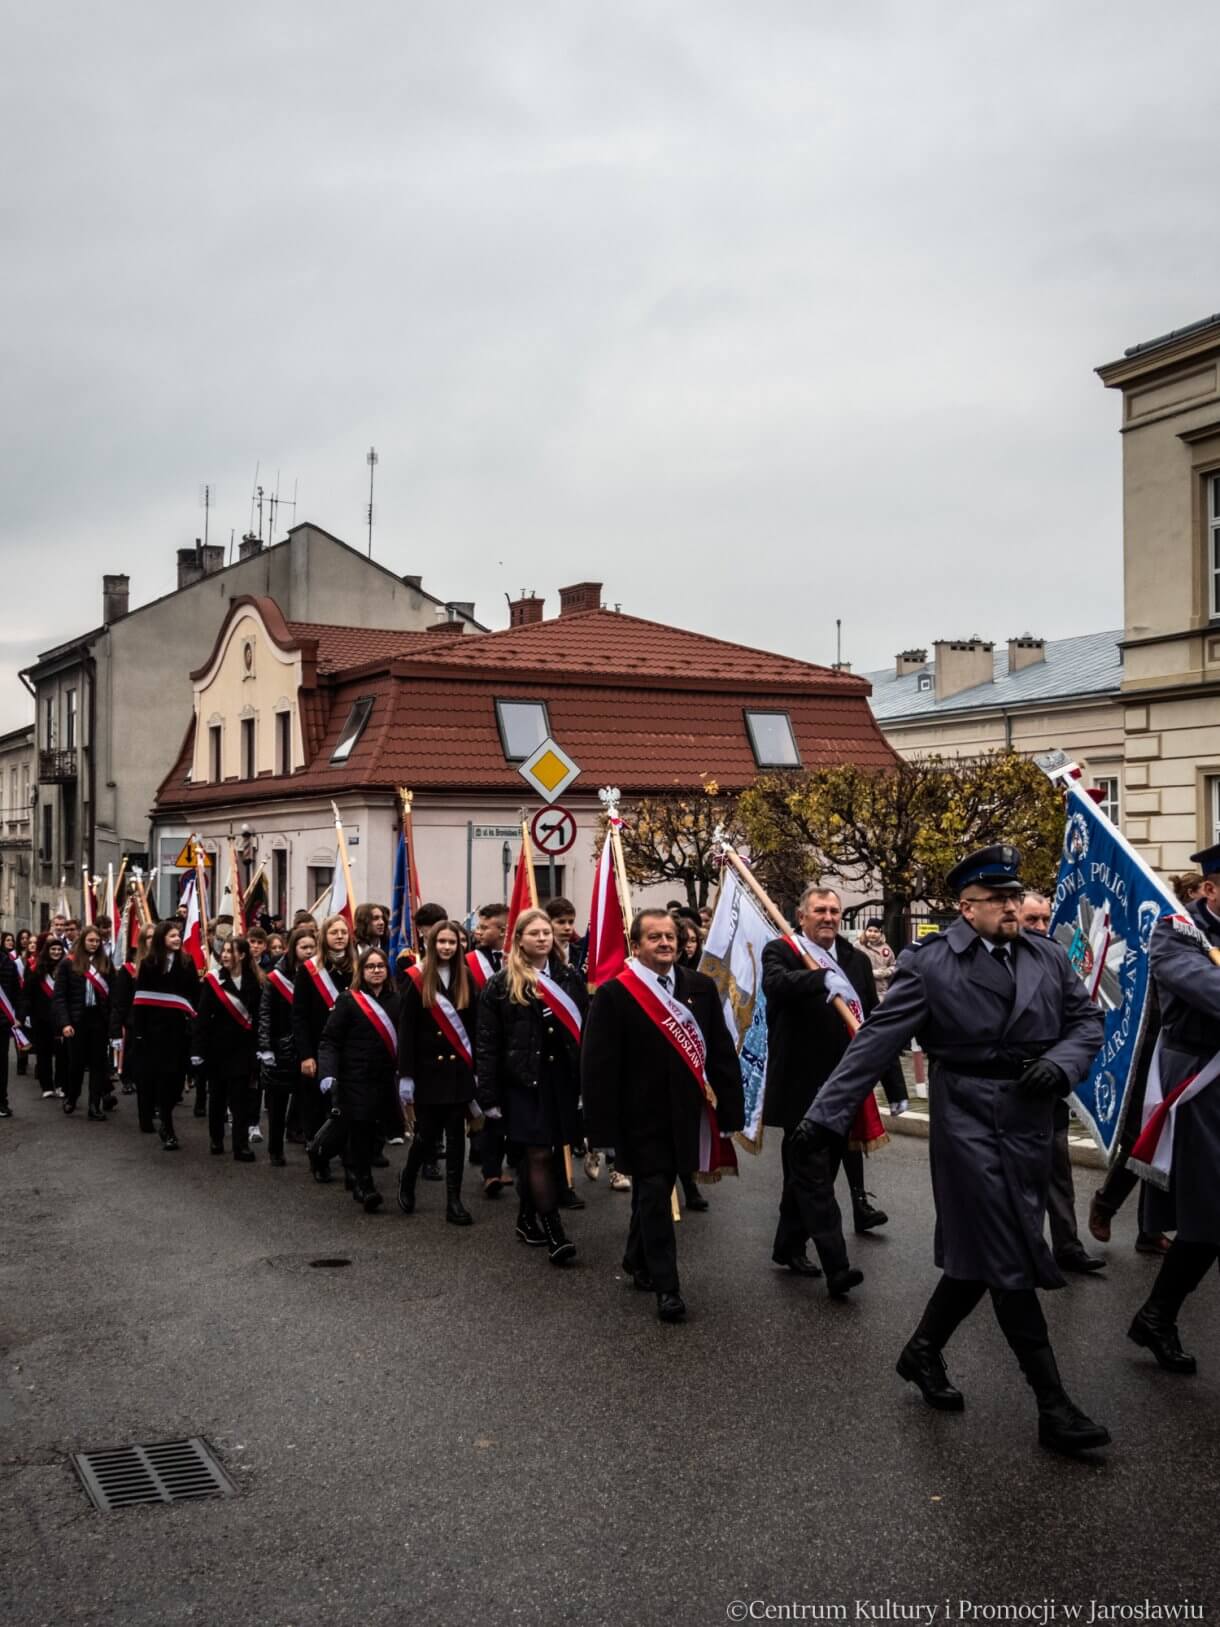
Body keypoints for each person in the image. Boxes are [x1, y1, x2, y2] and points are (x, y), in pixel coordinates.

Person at [790, 845, 1110, 1456]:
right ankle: (1053, 1405)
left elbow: (1086, 1022)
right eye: (999, 900)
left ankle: (922, 1351)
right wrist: (824, 1116)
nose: (1013, 908)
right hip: (968, 1117)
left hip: (1031, 1118)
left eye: (1016, 897)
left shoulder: (1046, 955)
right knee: (1010, 1254)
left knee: (980, 1257)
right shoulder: (933, 964)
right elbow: (878, 1039)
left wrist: (1060, 1064)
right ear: (966, 908)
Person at [583, 909, 744, 1322]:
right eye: (654, 937)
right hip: (640, 1116)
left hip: (686, 1112)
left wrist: (730, 1109)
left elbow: (721, 1051)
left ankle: (636, 1259)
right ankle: (667, 1288)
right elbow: (598, 1064)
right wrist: (601, 1127)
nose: (665, 943)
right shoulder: (616, 993)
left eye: (670, 936)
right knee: (655, 1193)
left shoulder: (700, 987)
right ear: (636, 945)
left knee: (656, 1189)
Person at [763, 885, 903, 1279]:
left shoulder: (854, 959)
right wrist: (819, 979)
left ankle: (787, 1246)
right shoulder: (783, 952)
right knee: (813, 1177)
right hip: (800, 1085)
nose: (828, 917)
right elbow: (775, 985)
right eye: (819, 910)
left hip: (843, 1086)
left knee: (808, 1178)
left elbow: (873, 1025)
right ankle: (837, 1267)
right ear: (802, 916)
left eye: (834, 911)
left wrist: (895, 1086)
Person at [1126, 842, 1220, 1376]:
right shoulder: (1177, 933)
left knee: (1210, 1222)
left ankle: (1157, 1315)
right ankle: (1157, 1317)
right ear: (1209, 888)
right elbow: (1208, 990)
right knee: (1209, 1213)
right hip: (1201, 1089)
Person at [476, 907, 586, 1264]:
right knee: (538, 1152)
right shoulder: (502, 983)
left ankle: (526, 1218)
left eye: (546, 932)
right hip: (523, 1081)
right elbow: (488, 1042)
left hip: (560, 1081)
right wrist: (488, 1096)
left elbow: (582, 1034)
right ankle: (555, 1230)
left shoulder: (569, 977)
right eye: (534, 933)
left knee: (549, 1151)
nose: (542, 938)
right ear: (519, 940)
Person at [1017, 892, 1103, 1275]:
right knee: (1017, 1180)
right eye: (1031, 919)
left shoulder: (1055, 959)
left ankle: (1067, 1245)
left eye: (1043, 919)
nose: (1039, 927)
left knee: (1058, 1169)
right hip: (1009, 1089)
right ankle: (1024, 1251)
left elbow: (1083, 1020)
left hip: (1050, 1084)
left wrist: (1059, 1064)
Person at [397, 919, 478, 1224]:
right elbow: (406, 1030)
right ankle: (407, 1178)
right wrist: (405, 1075)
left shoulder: (467, 978)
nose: (446, 947)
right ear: (432, 945)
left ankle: (453, 1201)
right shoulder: (416, 979)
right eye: (441, 942)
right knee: (426, 1135)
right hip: (427, 1070)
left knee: (457, 1137)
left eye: (452, 942)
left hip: (458, 1070)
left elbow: (474, 1026)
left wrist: (477, 1070)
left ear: (459, 946)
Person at [317, 946, 402, 1213]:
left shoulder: (397, 1000)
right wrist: (327, 1072)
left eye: (380, 966)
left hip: (386, 1078)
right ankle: (364, 1185)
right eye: (370, 966)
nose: (376, 971)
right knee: (360, 1131)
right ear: (361, 971)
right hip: (355, 1077)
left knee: (379, 1131)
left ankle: (358, 1176)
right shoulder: (349, 1001)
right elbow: (330, 1040)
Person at [294, 913, 358, 1181]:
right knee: (317, 1106)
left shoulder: (358, 967)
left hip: (351, 1048)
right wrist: (306, 1054)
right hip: (320, 1047)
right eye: (334, 932)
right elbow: (299, 1015)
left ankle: (349, 1160)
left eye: (344, 932)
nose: (340, 936)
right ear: (324, 936)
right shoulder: (309, 970)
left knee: (348, 1106)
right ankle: (318, 1158)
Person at [130, 919, 199, 1148]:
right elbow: (140, 1001)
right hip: (155, 1033)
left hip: (180, 1032)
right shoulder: (149, 964)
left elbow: (194, 996)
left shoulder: (187, 963)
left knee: (177, 1081)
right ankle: (167, 1128)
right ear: (162, 939)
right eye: (172, 936)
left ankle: (166, 1112)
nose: (177, 939)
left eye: (178, 935)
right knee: (161, 1078)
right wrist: (138, 1033)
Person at [192, 935, 263, 1161]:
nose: (224, 955)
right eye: (223, 951)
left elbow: (260, 1016)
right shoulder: (213, 980)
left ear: (241, 955)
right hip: (218, 1048)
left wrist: (262, 1046)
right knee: (218, 1097)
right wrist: (198, 1050)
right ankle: (216, 1138)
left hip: (243, 1048)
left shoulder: (256, 981)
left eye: (230, 951)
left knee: (240, 1098)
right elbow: (202, 1017)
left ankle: (240, 1145)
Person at [258, 923, 316, 1166]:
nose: (309, 952)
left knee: (309, 1103)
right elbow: (265, 1014)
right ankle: (275, 1149)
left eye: (313, 947)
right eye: (304, 947)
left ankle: (312, 1146)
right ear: (293, 949)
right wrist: (265, 1047)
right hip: (280, 1047)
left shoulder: (317, 975)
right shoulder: (276, 978)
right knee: (277, 1104)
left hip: (307, 1047)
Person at [53, 924, 113, 1121]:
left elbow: (112, 995)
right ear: (83, 941)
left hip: (98, 1019)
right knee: (76, 1063)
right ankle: (72, 1096)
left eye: (97, 941)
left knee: (98, 1064)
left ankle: (94, 1105)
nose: (94, 944)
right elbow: (59, 996)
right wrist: (64, 1023)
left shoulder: (105, 963)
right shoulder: (68, 963)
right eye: (91, 940)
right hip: (76, 1020)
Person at [111, 922, 155, 1099]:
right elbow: (121, 1001)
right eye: (149, 937)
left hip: (157, 1020)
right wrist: (116, 1029)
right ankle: (129, 1079)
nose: (153, 941)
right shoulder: (129, 969)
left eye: (155, 936)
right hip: (135, 1020)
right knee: (133, 1053)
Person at [29, 937, 67, 1101]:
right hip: (41, 1018)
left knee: (62, 1053)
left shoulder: (67, 968)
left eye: (59, 949)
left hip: (60, 1018)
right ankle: (47, 1086)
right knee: (43, 1053)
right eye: (53, 949)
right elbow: (28, 994)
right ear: (47, 950)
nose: (56, 952)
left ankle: (60, 1085)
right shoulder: (37, 969)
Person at [0, 931, 26, 1117]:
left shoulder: (7, 962)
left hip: (2, 1020)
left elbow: (17, 992)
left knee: (1, 1064)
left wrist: (19, 1016)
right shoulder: (8, 961)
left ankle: (1, 1101)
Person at [858, 921, 896, 999]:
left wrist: (885, 972)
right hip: (863, 990)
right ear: (865, 931)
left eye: (876, 931)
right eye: (870, 930)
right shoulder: (858, 946)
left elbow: (894, 965)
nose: (872, 934)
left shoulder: (886, 948)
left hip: (882, 991)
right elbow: (853, 966)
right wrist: (870, 973)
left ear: (880, 933)